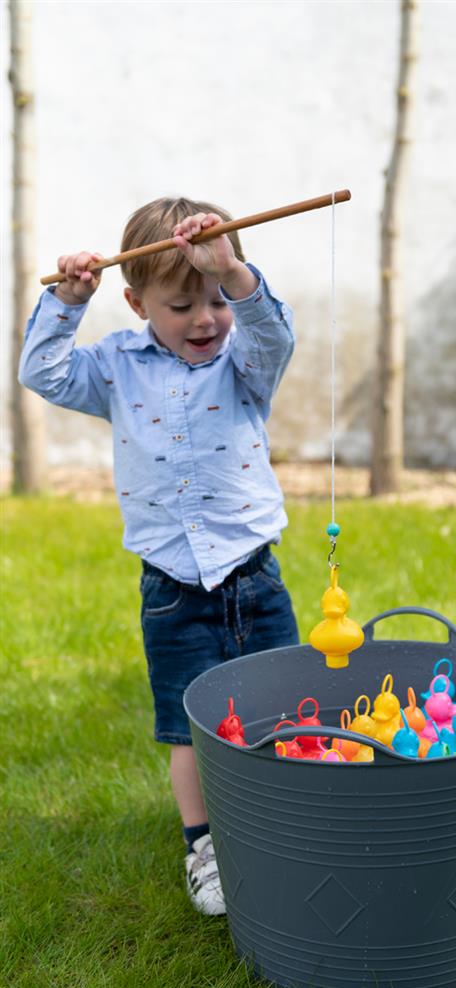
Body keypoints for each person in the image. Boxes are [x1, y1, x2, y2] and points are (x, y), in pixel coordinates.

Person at [18, 197, 300, 915]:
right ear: (137, 302)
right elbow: (42, 372)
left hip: (254, 576)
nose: (206, 319)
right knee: (188, 726)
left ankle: (288, 824)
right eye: (181, 306)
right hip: (172, 588)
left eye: (216, 301)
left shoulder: (244, 361)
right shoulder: (116, 366)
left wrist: (231, 271)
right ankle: (205, 848)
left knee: (283, 708)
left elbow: (273, 333)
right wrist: (67, 300)